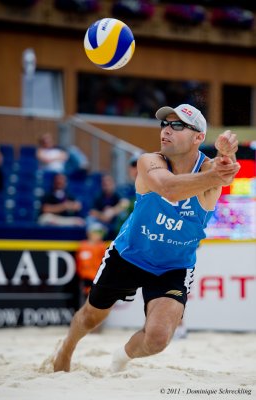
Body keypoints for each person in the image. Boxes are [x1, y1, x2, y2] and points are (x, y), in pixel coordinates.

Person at [53, 103, 240, 373]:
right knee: (91, 317)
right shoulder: (149, 161)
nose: (166, 130)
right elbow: (169, 189)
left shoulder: (210, 170)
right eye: (165, 124)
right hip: (129, 255)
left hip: (173, 266)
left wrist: (227, 156)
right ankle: (66, 348)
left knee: (157, 339)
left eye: (177, 125)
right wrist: (218, 172)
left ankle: (120, 357)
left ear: (198, 137)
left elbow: (224, 170)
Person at [88, 173, 130, 239]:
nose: (107, 186)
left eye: (109, 184)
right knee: (90, 219)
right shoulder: (98, 195)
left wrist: (112, 212)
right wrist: (102, 216)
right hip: (101, 221)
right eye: (105, 184)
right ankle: (94, 243)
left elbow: (125, 203)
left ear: (113, 184)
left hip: (115, 219)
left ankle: (123, 239)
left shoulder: (117, 193)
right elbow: (92, 211)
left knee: (124, 214)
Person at [75, 222, 107, 301]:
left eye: (101, 232)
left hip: (99, 280)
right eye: (97, 232)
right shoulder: (83, 246)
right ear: (89, 233)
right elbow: (79, 264)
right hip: (86, 280)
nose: (99, 235)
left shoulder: (102, 246)